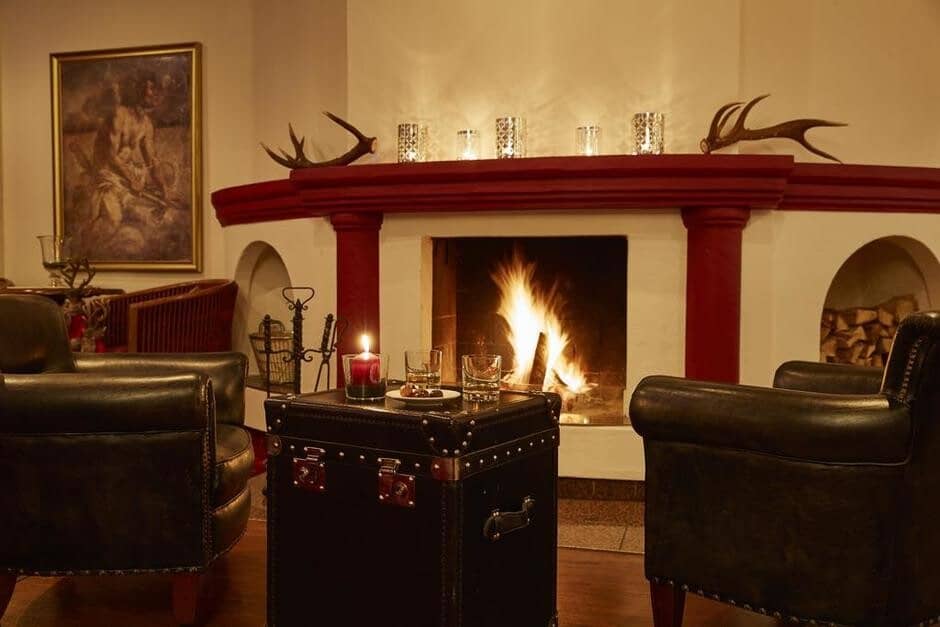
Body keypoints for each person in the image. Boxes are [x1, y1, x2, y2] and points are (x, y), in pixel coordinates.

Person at [73, 72, 184, 260]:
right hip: (107, 176)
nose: (155, 95)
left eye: (158, 91)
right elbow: (110, 156)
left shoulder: (147, 125)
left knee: (157, 219)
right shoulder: (119, 114)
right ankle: (81, 251)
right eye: (151, 89)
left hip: (128, 180)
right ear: (139, 90)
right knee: (113, 221)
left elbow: (151, 161)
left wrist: (164, 189)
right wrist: (132, 179)